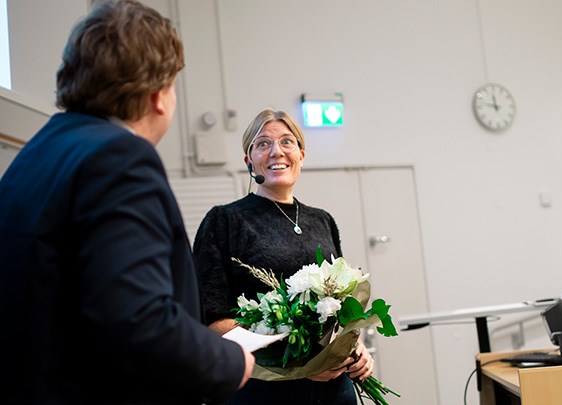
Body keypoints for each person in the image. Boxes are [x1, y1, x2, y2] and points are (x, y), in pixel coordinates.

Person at [0, 1, 254, 403]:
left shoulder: (37, 153)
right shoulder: (119, 160)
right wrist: (230, 361)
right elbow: (139, 319)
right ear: (158, 94)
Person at [192, 108, 374, 404]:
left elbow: (341, 304)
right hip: (263, 391)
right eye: (263, 144)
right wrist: (296, 362)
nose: (276, 151)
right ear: (248, 160)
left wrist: (356, 348)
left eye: (287, 142)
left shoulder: (322, 220)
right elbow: (211, 320)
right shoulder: (225, 221)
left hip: (333, 388)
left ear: (301, 154)